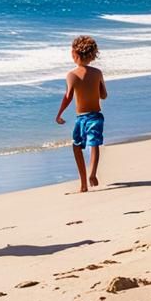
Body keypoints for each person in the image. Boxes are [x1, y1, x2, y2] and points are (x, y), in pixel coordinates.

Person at [55, 35, 107, 192]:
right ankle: (93, 174)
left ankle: (83, 184)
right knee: (94, 144)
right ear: (92, 55)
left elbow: (68, 97)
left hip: (81, 118)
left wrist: (59, 114)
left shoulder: (72, 75)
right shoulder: (97, 73)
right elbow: (104, 95)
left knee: (77, 146)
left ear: (74, 54)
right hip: (96, 115)